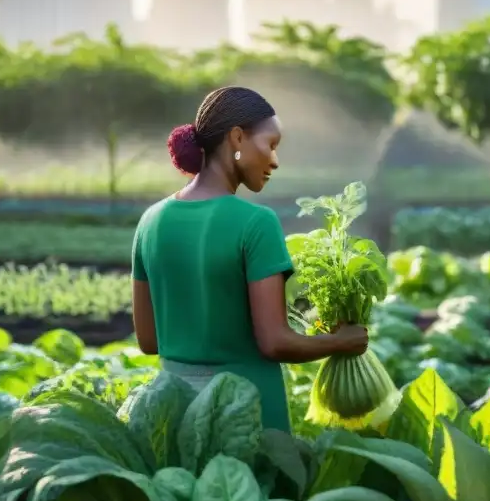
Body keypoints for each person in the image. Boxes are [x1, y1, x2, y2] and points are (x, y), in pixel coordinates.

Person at [130, 86, 369, 432]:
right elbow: (274, 342)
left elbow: (149, 341)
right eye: (270, 145)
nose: (274, 161)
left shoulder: (150, 221)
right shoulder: (257, 223)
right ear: (238, 138)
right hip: (245, 415)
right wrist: (341, 341)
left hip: (174, 416)